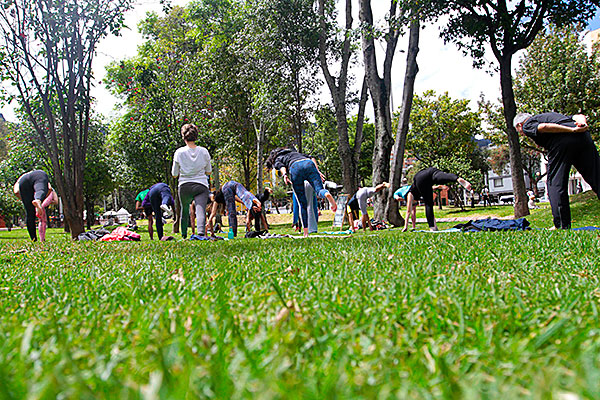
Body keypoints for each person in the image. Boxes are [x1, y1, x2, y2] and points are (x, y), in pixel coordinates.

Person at [514, 112, 599, 229]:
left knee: (555, 183)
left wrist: (572, 130)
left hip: (562, 143)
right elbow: (577, 116)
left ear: (519, 125)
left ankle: (562, 225)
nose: (523, 133)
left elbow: (543, 127)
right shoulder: (554, 116)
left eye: (520, 132)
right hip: (584, 138)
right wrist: (582, 124)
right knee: (596, 176)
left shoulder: (527, 124)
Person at [265, 148, 337, 237]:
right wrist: (317, 171)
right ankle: (326, 194)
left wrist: (285, 175)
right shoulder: (295, 153)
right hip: (309, 163)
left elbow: (281, 167)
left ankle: (305, 232)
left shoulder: (278, 158)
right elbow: (311, 158)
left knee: (303, 203)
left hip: (295, 168)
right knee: (319, 190)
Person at [394, 167, 471, 232]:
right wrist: (439, 187)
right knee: (441, 176)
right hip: (431, 171)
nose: (415, 204)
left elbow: (408, 212)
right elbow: (429, 188)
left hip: (419, 177)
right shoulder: (420, 188)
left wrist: (405, 226)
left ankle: (432, 227)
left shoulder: (409, 193)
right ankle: (457, 179)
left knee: (428, 204)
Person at [172, 123, 212, 238]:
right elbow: (208, 171)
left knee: (185, 210)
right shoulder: (204, 151)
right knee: (200, 210)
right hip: (201, 185)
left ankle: (184, 235)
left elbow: (174, 174)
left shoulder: (179, 152)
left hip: (184, 185)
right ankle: (200, 234)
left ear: (183, 136)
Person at [13, 170, 58, 241]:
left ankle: (33, 239)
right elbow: (49, 188)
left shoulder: (21, 177)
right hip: (40, 175)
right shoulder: (39, 175)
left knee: (30, 214)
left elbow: (16, 191)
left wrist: (25, 200)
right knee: (40, 189)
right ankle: (38, 199)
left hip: (23, 181)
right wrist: (41, 199)